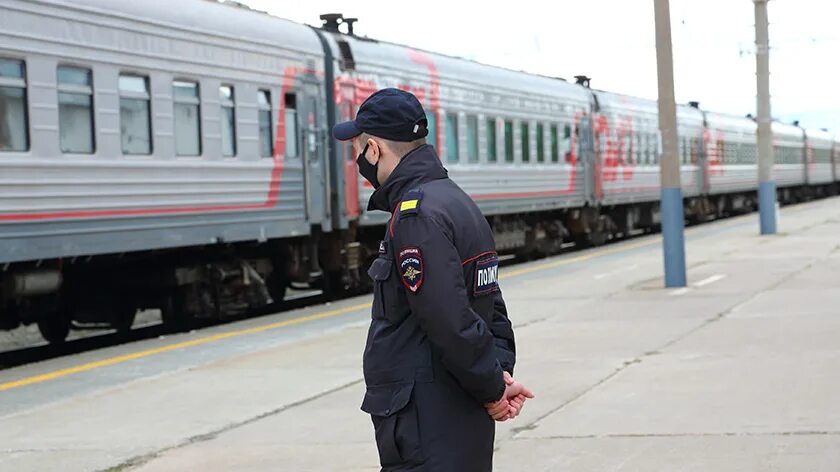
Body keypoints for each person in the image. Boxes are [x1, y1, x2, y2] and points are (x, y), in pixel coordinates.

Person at [333, 88, 534, 471]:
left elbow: (448, 319)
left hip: (426, 412)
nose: (359, 159)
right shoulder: (455, 201)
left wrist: (493, 388)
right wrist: (497, 375)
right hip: (453, 404)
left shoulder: (415, 215)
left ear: (373, 148)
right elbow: (491, 307)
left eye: (359, 149)